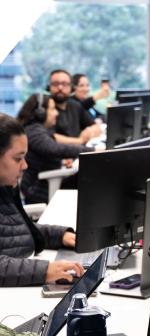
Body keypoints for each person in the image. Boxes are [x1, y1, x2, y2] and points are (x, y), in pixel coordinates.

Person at [0, 113, 84, 287]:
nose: (25, 165)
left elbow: (15, 230)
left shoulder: (4, 187)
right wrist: (45, 271)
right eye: (18, 158)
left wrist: (60, 235)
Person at [16, 94, 95, 204]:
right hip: (40, 191)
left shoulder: (36, 130)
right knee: (91, 178)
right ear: (40, 113)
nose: (56, 113)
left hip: (45, 185)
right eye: (53, 109)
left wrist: (61, 162)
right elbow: (57, 149)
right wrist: (93, 151)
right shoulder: (33, 132)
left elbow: (45, 156)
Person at [47, 70, 101, 145]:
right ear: (49, 87)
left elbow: (96, 127)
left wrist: (89, 132)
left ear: (71, 87)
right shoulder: (45, 107)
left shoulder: (75, 105)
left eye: (64, 84)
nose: (60, 87)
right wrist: (80, 141)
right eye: (56, 84)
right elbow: (48, 137)